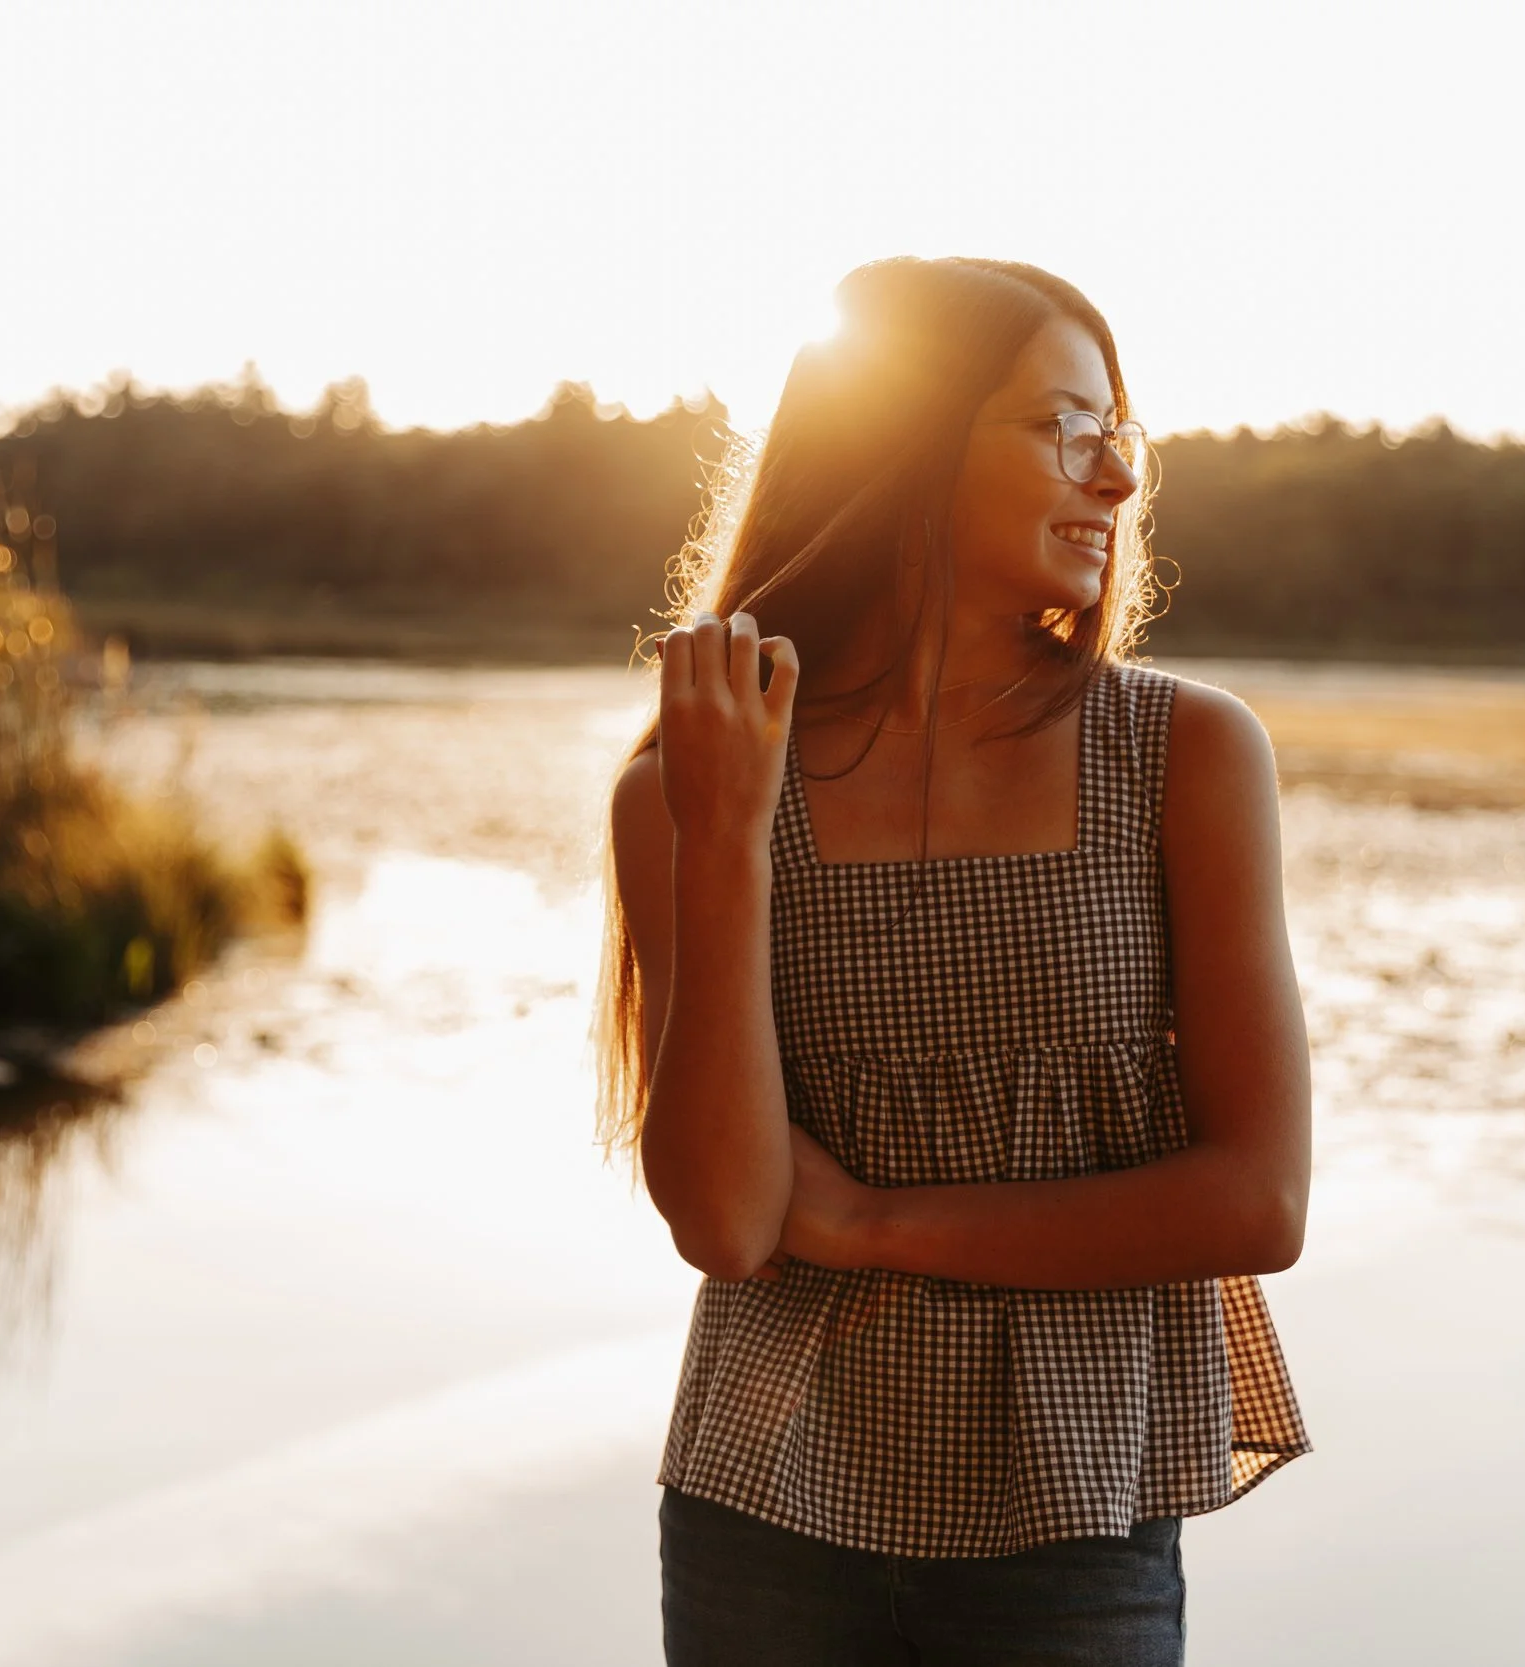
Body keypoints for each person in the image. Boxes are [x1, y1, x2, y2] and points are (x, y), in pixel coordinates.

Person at [594, 256, 1313, 1666]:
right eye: (1064, 426)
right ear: (908, 443)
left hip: (1072, 1527)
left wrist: (874, 1225)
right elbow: (730, 1221)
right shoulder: (693, 785)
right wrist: (730, 840)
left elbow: (1259, 1198)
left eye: (1121, 435)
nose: (1114, 478)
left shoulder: (1185, 758)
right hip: (765, 1518)